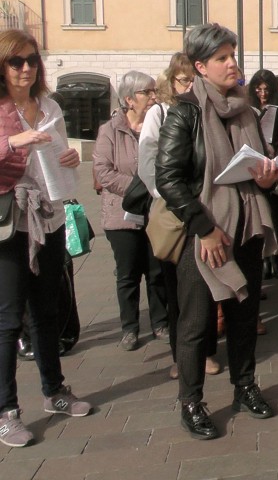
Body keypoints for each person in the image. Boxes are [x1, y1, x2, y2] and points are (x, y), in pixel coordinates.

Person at [156, 23, 278, 440]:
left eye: (234, 55)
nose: (233, 64)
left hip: (246, 224)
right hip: (205, 232)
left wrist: (267, 178)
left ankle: (245, 384)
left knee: (245, 314)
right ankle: (191, 402)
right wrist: (205, 228)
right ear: (200, 66)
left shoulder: (246, 108)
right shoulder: (185, 111)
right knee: (195, 324)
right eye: (223, 58)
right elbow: (168, 177)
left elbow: (259, 163)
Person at [0, 29, 92, 448]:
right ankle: (5, 412)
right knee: (6, 320)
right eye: (16, 61)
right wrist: (14, 140)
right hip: (11, 223)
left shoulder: (49, 105)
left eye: (31, 60)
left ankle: (54, 391)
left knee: (47, 312)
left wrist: (70, 156)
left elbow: (60, 158)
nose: (25, 68)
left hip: (51, 215)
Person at [139, 53, 220, 379]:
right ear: (171, 82)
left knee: (209, 285)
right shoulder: (159, 113)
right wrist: (178, 197)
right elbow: (149, 167)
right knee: (177, 290)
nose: (189, 85)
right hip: (175, 214)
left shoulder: (206, 108)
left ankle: (209, 351)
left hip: (207, 208)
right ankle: (181, 355)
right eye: (183, 80)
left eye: (192, 79)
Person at [94, 71, 168, 351]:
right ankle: (130, 328)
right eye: (146, 93)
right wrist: (143, 187)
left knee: (156, 270)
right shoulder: (108, 131)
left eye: (154, 92)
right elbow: (103, 172)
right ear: (128, 99)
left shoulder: (160, 125)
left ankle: (160, 322)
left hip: (155, 212)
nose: (153, 97)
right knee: (127, 274)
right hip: (120, 215)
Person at [248, 69, 278, 281]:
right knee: (262, 217)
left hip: (277, 165)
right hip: (257, 166)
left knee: (277, 217)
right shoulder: (247, 110)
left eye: (266, 90)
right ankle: (265, 261)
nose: (262, 93)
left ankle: (277, 259)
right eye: (258, 89)